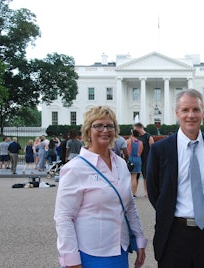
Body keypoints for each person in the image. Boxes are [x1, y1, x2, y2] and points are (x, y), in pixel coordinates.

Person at [54, 105, 147, 268]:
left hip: (120, 250)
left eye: (109, 126)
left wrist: (139, 240)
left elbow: (129, 205)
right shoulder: (74, 168)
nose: (105, 130)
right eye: (98, 125)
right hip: (90, 253)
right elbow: (64, 218)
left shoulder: (120, 163)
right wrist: (72, 261)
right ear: (88, 131)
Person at [147, 89, 204, 267]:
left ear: (202, 112)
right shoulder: (160, 149)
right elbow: (153, 190)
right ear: (177, 113)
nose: (190, 115)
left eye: (195, 110)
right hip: (173, 234)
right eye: (185, 110)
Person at [133, 122, 154, 197]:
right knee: (136, 176)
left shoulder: (148, 137)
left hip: (147, 158)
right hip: (138, 158)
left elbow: (152, 149)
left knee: (146, 176)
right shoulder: (136, 137)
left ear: (139, 128)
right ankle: (134, 192)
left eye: (135, 129)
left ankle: (146, 191)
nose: (134, 131)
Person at [126, 129, 143, 197]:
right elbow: (140, 152)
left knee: (128, 177)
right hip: (137, 159)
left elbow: (124, 150)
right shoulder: (140, 142)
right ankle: (134, 193)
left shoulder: (128, 141)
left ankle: (128, 192)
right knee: (134, 177)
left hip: (130, 159)